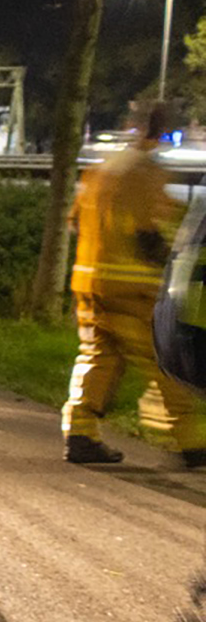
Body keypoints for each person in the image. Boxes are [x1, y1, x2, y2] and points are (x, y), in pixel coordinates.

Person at [61, 102, 206, 468]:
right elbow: (148, 233)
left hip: (89, 281)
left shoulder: (100, 170)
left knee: (99, 356)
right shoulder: (147, 171)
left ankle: (81, 432)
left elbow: (74, 221)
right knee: (164, 361)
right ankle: (193, 442)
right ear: (158, 133)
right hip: (134, 285)